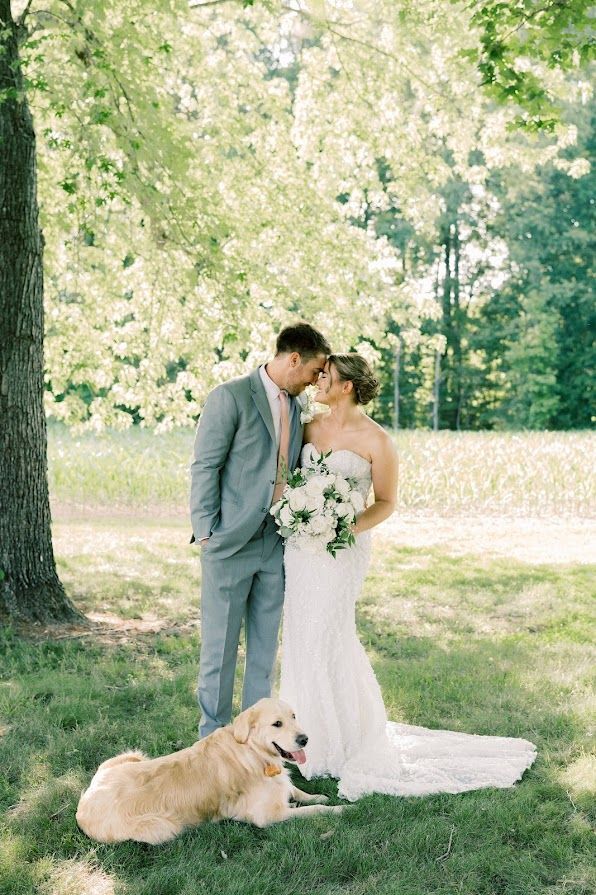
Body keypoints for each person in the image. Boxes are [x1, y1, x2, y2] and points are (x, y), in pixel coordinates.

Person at [279, 353, 537, 800]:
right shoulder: (307, 426)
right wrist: (306, 519)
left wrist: (343, 525)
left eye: (327, 376)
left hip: (341, 551)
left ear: (347, 387)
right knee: (301, 635)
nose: (318, 380)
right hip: (301, 550)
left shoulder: (377, 440)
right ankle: (304, 736)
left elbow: (386, 501)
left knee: (329, 633)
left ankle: (342, 742)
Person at [190, 322, 330, 739]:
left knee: (264, 652)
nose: (314, 381)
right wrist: (205, 530)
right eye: (313, 371)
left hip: (276, 542)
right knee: (220, 649)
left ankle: (257, 741)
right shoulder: (230, 397)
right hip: (230, 541)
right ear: (293, 360)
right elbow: (205, 465)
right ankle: (213, 738)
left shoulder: (295, 407)